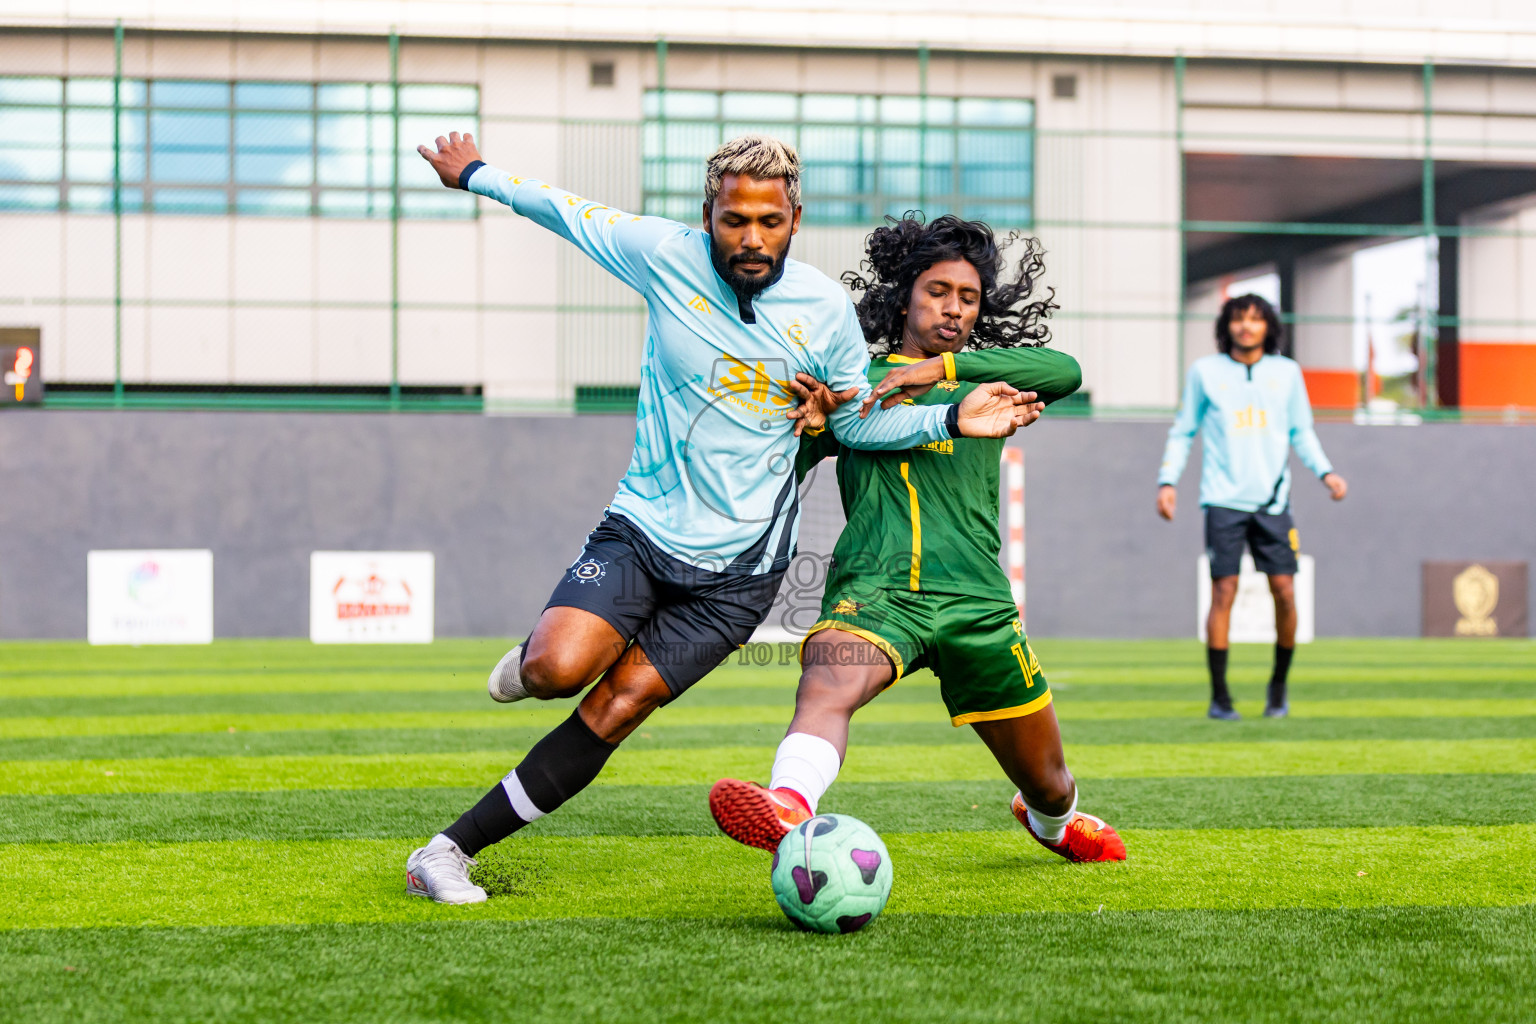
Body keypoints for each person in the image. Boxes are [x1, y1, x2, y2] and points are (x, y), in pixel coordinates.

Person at [403, 133, 1043, 903]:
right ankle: (535, 656)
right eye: (734, 219)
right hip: (642, 531)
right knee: (555, 670)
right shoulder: (661, 254)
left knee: (617, 707)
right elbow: (568, 212)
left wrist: (946, 422)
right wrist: (473, 174)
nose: (751, 238)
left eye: (768, 221)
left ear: (794, 219)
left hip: (739, 579)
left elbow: (856, 426)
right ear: (709, 214)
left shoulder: (825, 310)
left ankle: (443, 854)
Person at [709, 215, 1126, 864]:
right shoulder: (855, 382)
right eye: (937, 291)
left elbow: (1064, 369)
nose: (953, 308)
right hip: (878, 593)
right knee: (826, 679)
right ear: (903, 294)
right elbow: (775, 473)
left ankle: (1052, 822)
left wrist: (938, 371)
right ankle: (789, 802)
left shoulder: (983, 382)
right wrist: (804, 428)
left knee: (1048, 781)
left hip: (976, 603)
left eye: (967, 297)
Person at [1157, 293, 1348, 721]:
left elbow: (1302, 432)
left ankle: (1278, 688)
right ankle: (1220, 697)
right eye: (1239, 318)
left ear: (1268, 327)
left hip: (1274, 503)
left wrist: (1327, 473)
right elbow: (1183, 431)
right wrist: (1167, 480)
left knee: (1284, 590)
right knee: (1223, 591)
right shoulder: (1205, 372)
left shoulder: (1287, 373)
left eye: (1255, 319)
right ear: (1227, 326)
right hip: (1222, 502)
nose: (1246, 326)